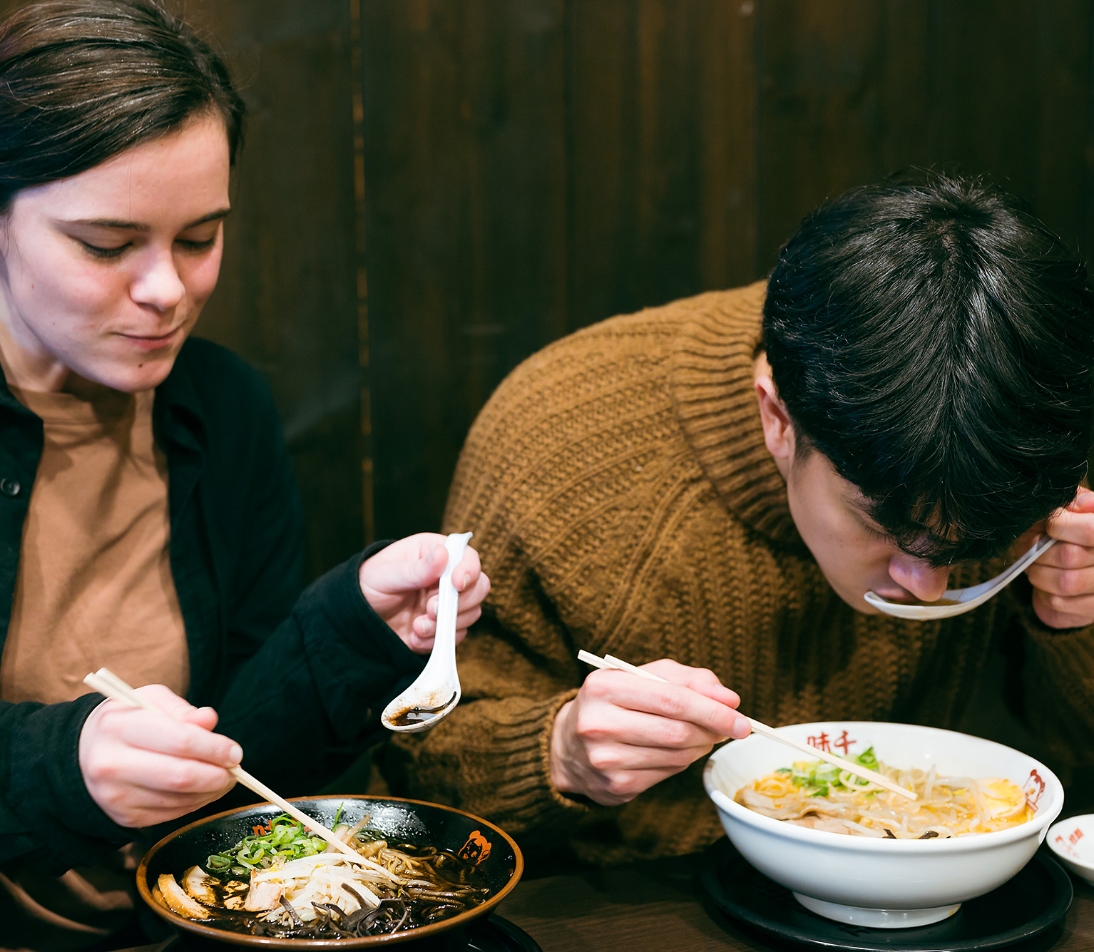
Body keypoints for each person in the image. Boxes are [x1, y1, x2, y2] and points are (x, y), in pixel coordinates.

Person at [384, 175, 1094, 868]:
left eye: (967, 549)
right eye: (888, 530)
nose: (932, 587)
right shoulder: (560, 443)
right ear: (778, 418)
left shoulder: (1017, 417)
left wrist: (1074, 628)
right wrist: (561, 754)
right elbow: (418, 779)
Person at [0, 0, 489, 945]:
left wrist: (352, 626)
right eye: (105, 245)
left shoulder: (220, 409)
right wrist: (66, 763)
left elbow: (245, 763)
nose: (166, 290)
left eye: (199, 238)